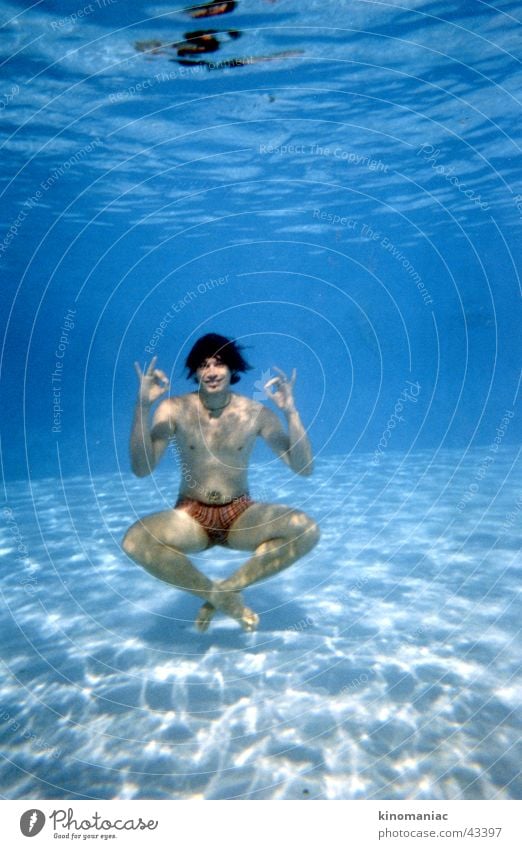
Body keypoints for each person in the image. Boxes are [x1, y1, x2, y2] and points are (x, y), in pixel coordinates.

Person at [122, 333, 320, 632]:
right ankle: (216, 595)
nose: (212, 372)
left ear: (232, 369)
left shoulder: (256, 414)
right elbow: (141, 468)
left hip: (240, 514)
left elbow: (303, 468)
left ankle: (228, 589)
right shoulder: (173, 409)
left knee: (306, 530)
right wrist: (142, 406)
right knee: (134, 541)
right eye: (204, 365)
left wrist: (290, 411)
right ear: (195, 371)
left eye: (219, 363)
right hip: (190, 517)